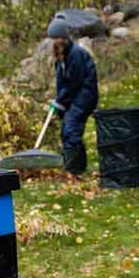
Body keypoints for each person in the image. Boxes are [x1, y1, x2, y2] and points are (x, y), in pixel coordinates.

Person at [46, 18, 99, 177]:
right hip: (73, 96)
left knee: (70, 130)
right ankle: (78, 167)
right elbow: (62, 83)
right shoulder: (61, 57)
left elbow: (73, 83)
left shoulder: (76, 54)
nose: (55, 41)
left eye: (58, 37)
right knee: (68, 131)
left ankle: (73, 171)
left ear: (64, 37)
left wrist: (61, 100)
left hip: (84, 96)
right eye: (53, 38)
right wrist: (59, 101)